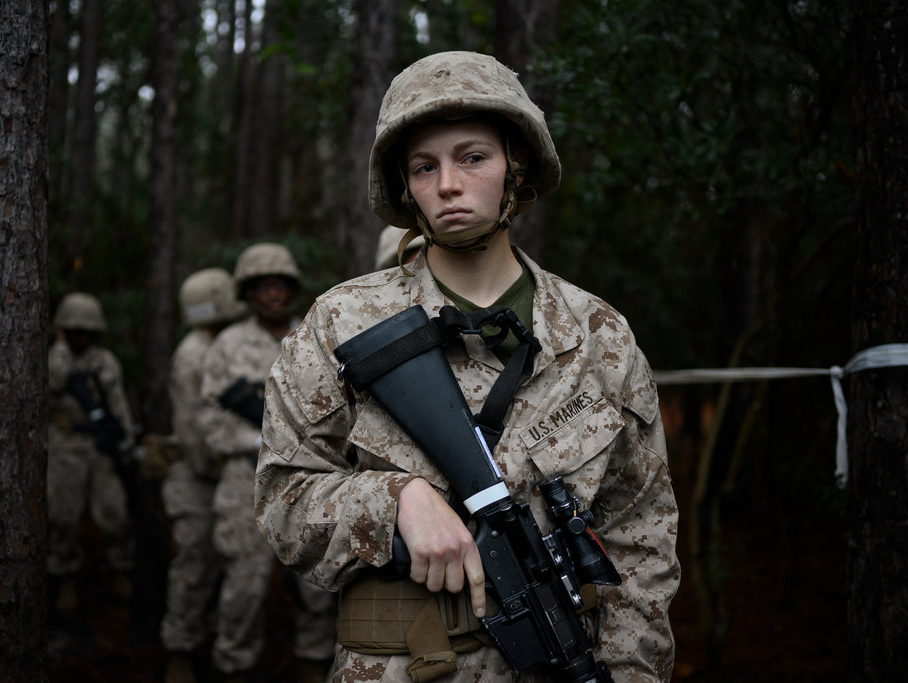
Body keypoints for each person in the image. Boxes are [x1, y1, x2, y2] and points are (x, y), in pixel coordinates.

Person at [254, 51, 680, 682]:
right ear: (406, 186)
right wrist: (395, 500)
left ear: (515, 167)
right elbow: (282, 504)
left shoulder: (598, 336)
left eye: (473, 157)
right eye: (425, 167)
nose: (448, 183)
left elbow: (640, 537)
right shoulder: (342, 323)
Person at [198, 243, 336, 682]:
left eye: (280, 284)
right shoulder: (227, 345)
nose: (273, 294)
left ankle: (314, 665)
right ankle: (234, 667)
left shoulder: (315, 336)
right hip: (247, 480)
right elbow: (209, 420)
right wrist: (262, 438)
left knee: (319, 587)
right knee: (244, 587)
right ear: (248, 293)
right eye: (262, 287)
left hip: (314, 477)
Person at [161, 268, 248, 683]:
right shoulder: (195, 352)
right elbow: (192, 428)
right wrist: (212, 470)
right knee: (195, 567)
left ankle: (209, 645)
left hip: (221, 473)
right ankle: (180, 650)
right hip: (199, 477)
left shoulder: (220, 345)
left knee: (225, 567)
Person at [47, 292, 137, 613]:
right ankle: (64, 576)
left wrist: (125, 441)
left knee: (115, 512)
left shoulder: (104, 361)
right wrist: (60, 346)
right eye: (74, 330)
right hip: (64, 445)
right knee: (62, 515)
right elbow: (54, 381)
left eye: (87, 330)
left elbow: (117, 403)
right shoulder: (53, 359)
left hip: (101, 446)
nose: (81, 336)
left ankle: (120, 568)